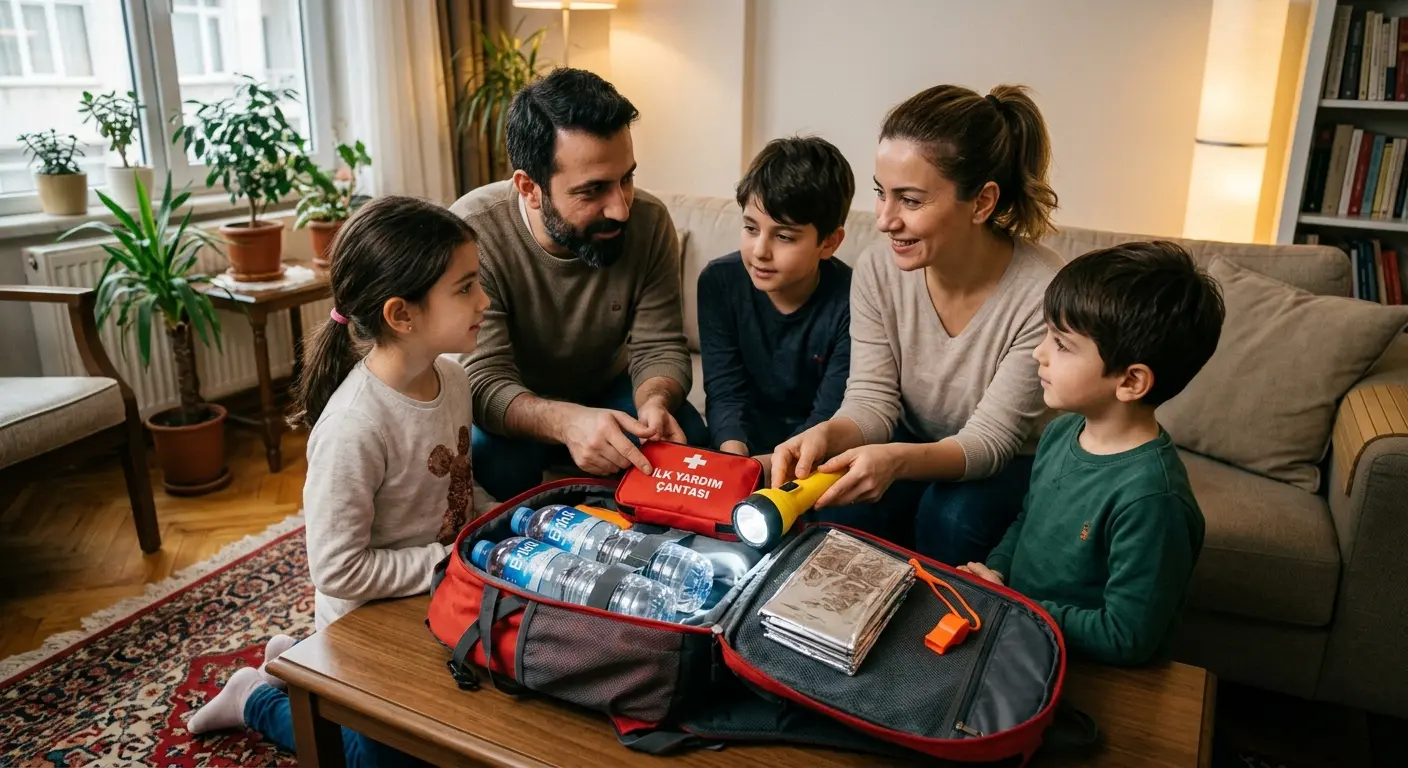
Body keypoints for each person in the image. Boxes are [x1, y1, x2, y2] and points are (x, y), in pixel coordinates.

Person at [186, 196, 492, 766]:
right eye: (466, 288)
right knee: (385, 763)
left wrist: (499, 524)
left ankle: (298, 658)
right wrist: (444, 561)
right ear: (402, 315)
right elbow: (337, 570)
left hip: (428, 593)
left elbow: (456, 485)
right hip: (365, 618)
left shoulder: (451, 379)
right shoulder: (354, 426)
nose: (485, 301)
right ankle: (254, 696)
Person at [772, 84, 1063, 565]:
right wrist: (829, 433)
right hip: (914, 441)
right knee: (836, 504)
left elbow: (989, 443)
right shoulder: (878, 267)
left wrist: (896, 460)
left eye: (909, 200)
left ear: (982, 202)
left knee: (952, 516)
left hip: (1013, 462)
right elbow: (872, 400)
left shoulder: (1043, 291)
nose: (885, 220)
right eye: (881, 194)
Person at [963, 241, 1224, 665]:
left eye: (1062, 344)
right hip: (1021, 632)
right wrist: (996, 574)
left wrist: (1014, 607)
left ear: (1131, 381)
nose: (1039, 353)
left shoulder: (1152, 500)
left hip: (1087, 666)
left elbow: (1126, 636)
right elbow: (1027, 522)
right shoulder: (1060, 433)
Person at [450, 68, 706, 501]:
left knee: (688, 437)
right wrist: (567, 422)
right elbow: (484, 380)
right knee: (493, 461)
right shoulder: (471, 236)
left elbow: (659, 345)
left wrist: (655, 401)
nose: (621, 209)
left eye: (626, 178)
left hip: (610, 387)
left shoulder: (650, 222)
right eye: (592, 190)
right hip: (518, 397)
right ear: (530, 188)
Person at [698, 136, 854, 462]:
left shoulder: (854, 301)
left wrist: (767, 470)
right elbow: (725, 392)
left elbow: (828, 414)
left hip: (815, 450)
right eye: (751, 228)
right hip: (743, 443)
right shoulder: (719, 282)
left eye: (783, 236)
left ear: (829, 242)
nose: (760, 251)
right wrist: (734, 461)